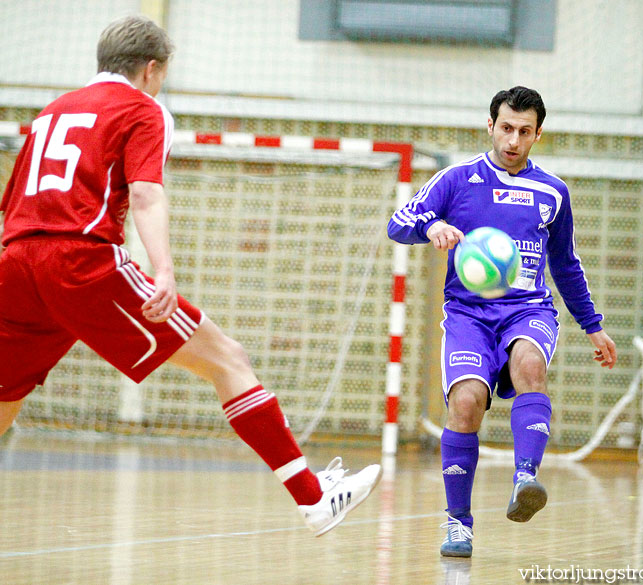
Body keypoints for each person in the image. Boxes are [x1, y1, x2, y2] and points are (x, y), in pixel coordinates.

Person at [0, 15, 381, 537]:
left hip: (16, 261)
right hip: (79, 261)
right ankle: (314, 500)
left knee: (4, 398)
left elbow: (14, 203)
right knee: (228, 360)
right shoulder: (143, 108)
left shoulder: (51, 112)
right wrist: (164, 270)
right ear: (152, 70)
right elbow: (146, 192)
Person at [387, 86, 617, 558]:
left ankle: (526, 479)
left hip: (527, 309)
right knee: (466, 402)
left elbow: (567, 265)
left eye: (524, 132)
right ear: (490, 126)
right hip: (469, 313)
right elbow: (398, 221)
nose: (513, 140)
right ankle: (458, 524)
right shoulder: (456, 179)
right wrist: (431, 226)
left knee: (530, 366)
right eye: (506, 128)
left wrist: (593, 325)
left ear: (537, 135)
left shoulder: (552, 192)